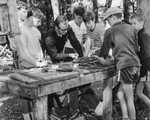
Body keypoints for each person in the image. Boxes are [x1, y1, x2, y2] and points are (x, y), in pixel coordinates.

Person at [96, 7, 140, 120]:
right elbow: (135, 49)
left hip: (125, 66)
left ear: (113, 17)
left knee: (129, 99)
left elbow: (103, 52)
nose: (107, 22)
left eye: (108, 20)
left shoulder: (110, 31)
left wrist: (100, 59)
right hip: (136, 65)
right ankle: (125, 117)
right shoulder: (132, 28)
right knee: (120, 94)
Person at [130, 11, 150, 108]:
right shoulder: (139, 35)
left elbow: (146, 55)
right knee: (139, 92)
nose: (133, 26)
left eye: (135, 23)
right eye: (131, 23)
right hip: (144, 70)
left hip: (146, 69)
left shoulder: (143, 35)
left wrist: (144, 71)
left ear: (141, 23)